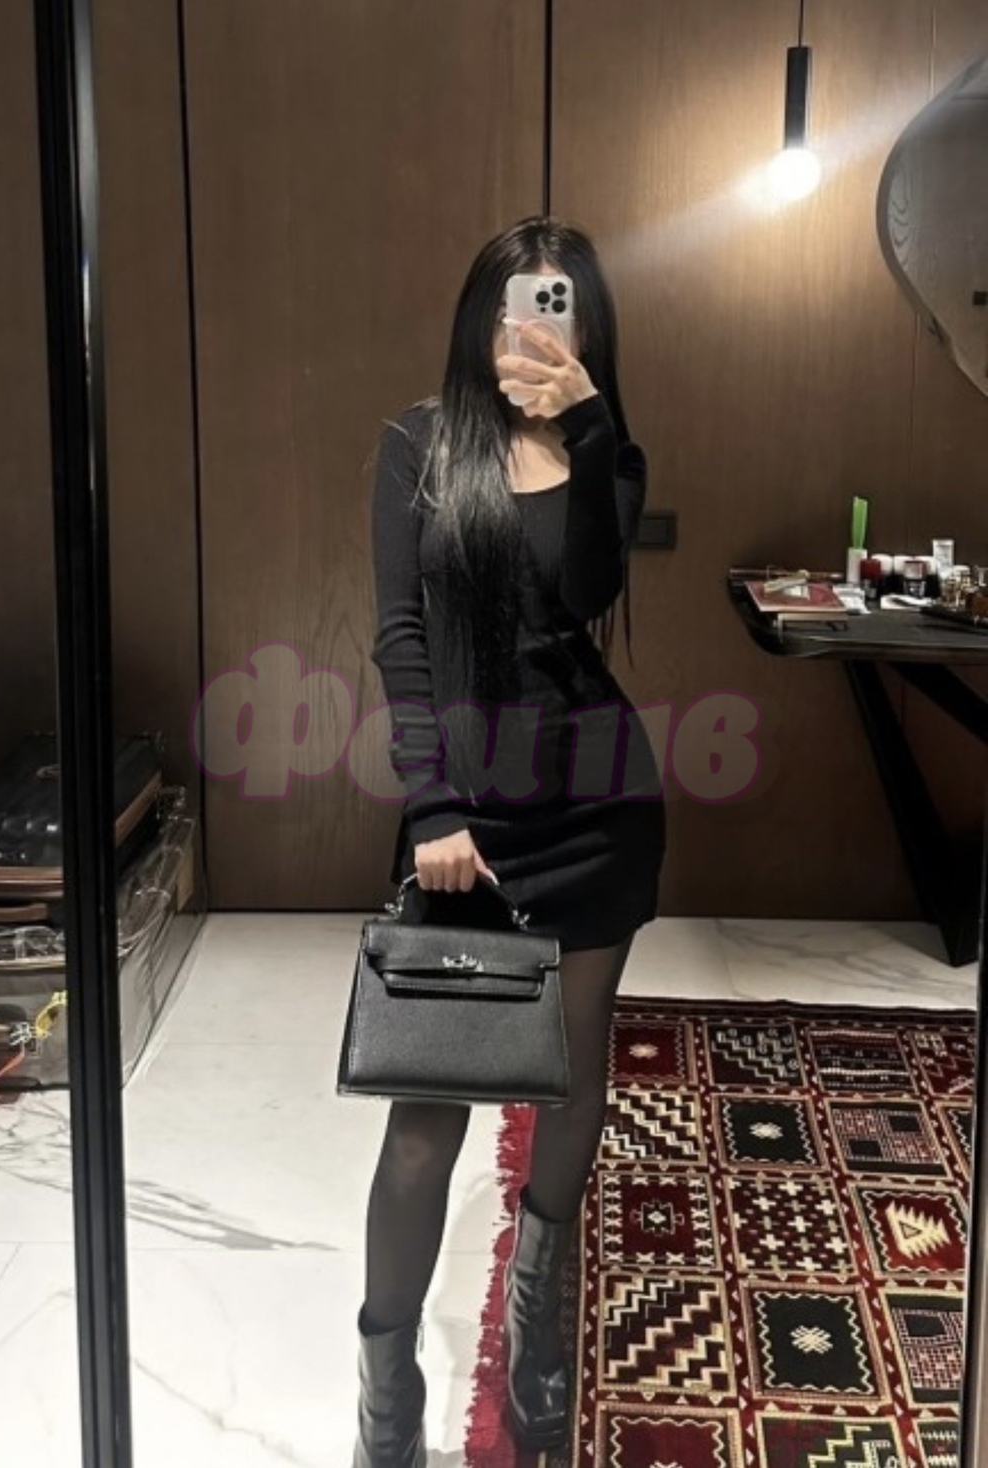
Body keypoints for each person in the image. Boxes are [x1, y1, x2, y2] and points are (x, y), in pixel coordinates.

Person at [352, 216, 666, 1466]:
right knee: (424, 1120)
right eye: (509, 304)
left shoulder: (608, 451)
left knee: (572, 1080)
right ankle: (385, 1388)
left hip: (597, 806)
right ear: (477, 315)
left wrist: (587, 431)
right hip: (463, 822)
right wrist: (431, 807)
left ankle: (535, 1324)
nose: (526, 328)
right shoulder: (417, 445)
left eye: (553, 306)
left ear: (584, 326)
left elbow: (587, 593)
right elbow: (401, 634)